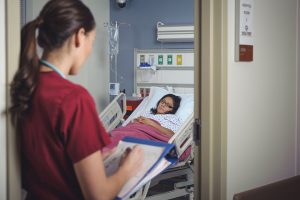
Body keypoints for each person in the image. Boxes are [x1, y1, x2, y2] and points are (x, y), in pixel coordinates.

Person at [9, 0, 143, 199]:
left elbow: (51, 156)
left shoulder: (25, 86)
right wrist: (128, 169)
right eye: (92, 40)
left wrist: (99, 160)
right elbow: (98, 195)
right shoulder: (74, 98)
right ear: (80, 37)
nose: (89, 50)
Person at [103, 94, 182, 151]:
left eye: (168, 105)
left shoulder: (173, 118)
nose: (163, 105)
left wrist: (151, 123)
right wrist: (135, 121)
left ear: (172, 109)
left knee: (123, 138)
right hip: (136, 130)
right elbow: (132, 125)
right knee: (117, 134)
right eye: (163, 102)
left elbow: (172, 134)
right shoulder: (148, 113)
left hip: (149, 135)